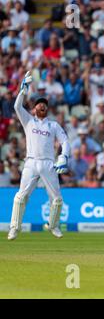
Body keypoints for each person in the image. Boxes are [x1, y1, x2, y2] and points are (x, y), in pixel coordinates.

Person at [8, 72, 70, 240]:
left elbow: (64, 141)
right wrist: (23, 90)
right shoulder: (28, 121)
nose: (42, 106)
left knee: (57, 199)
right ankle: (14, 227)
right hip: (31, 163)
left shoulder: (53, 125)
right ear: (34, 109)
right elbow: (16, 107)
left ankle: (53, 225)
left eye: (44, 105)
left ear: (47, 109)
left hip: (49, 164)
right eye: (39, 104)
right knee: (21, 197)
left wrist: (64, 156)